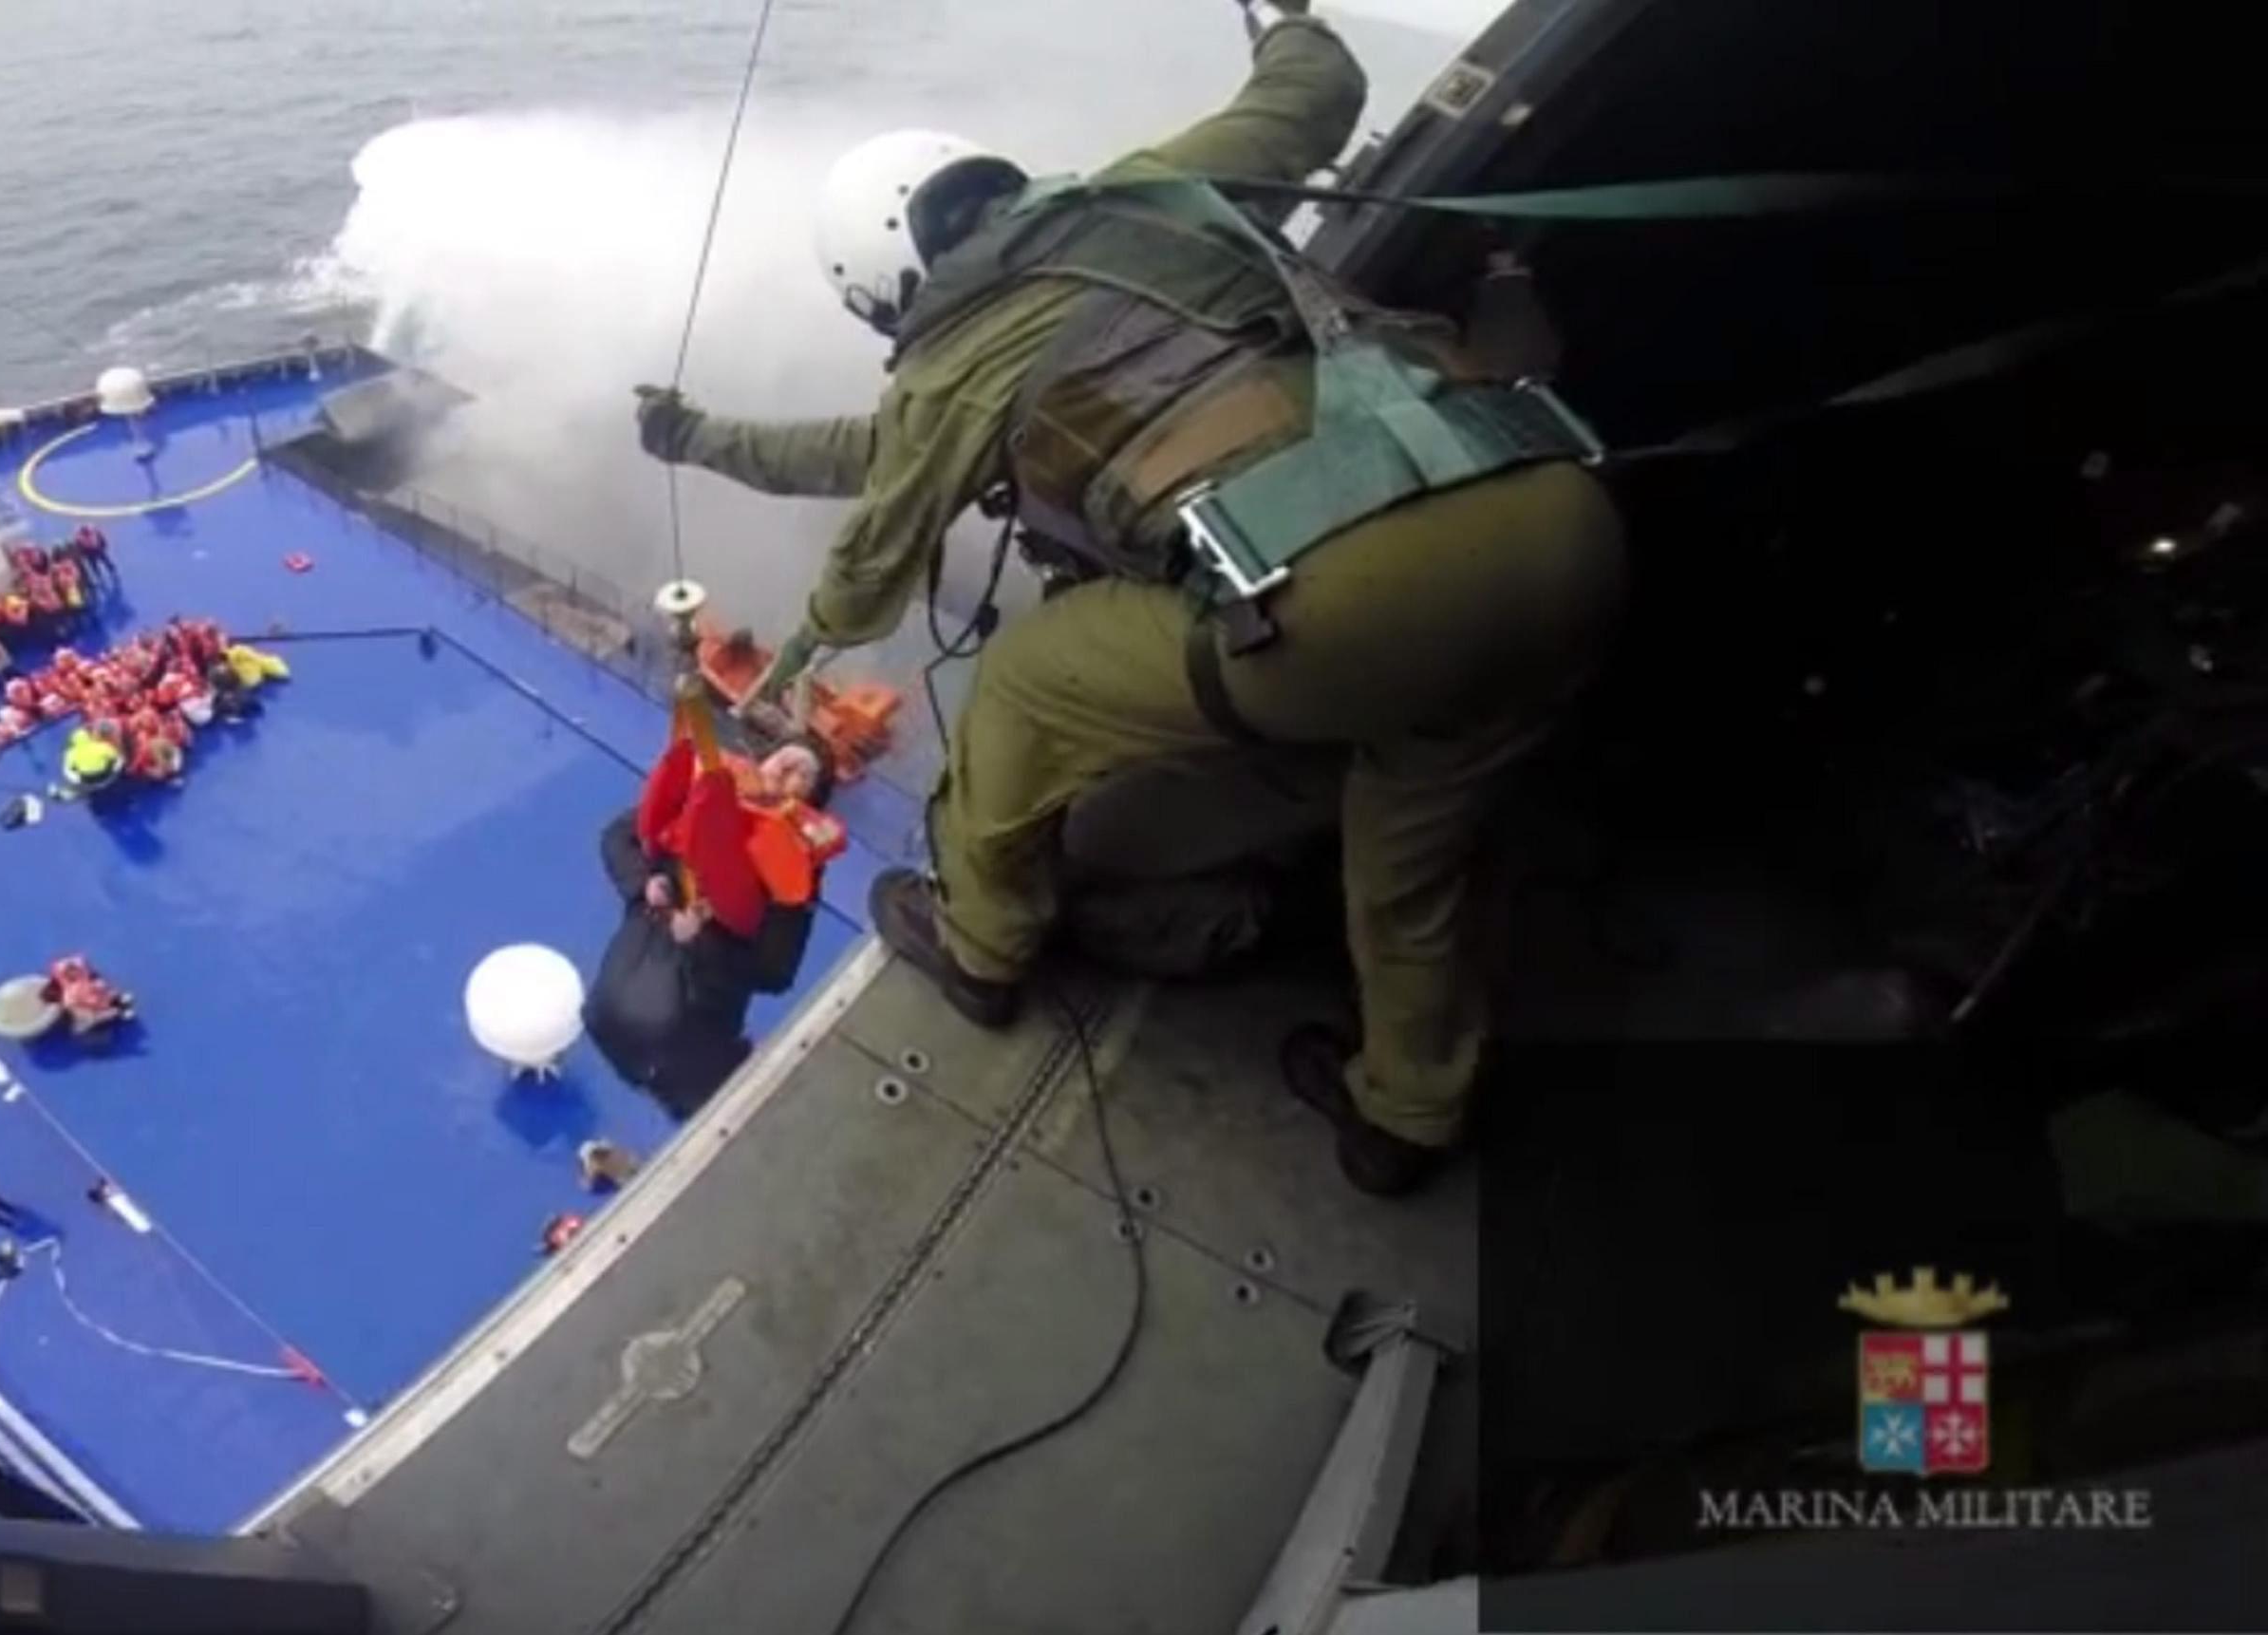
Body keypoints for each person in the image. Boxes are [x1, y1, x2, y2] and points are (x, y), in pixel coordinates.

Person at [629, 3, 1624, 1195]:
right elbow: (1315, 91)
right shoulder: (1145, 191)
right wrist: (1288, 16)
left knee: (1028, 681)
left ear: (886, 290)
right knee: (1419, 831)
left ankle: (982, 945)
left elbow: (867, 560)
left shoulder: (950, 368)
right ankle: (1404, 1113)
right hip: (1554, 514)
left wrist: (796, 651)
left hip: (1350, 597)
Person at [585, 738, 840, 1117]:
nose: (784, 775)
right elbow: (619, 837)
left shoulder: (795, 869)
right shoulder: (706, 799)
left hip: (697, 1034)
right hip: (623, 984)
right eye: (782, 761)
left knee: (722, 1118)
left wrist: (701, 941)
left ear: (809, 799)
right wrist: (645, 883)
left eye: (802, 774)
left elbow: (776, 970)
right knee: (613, 1031)